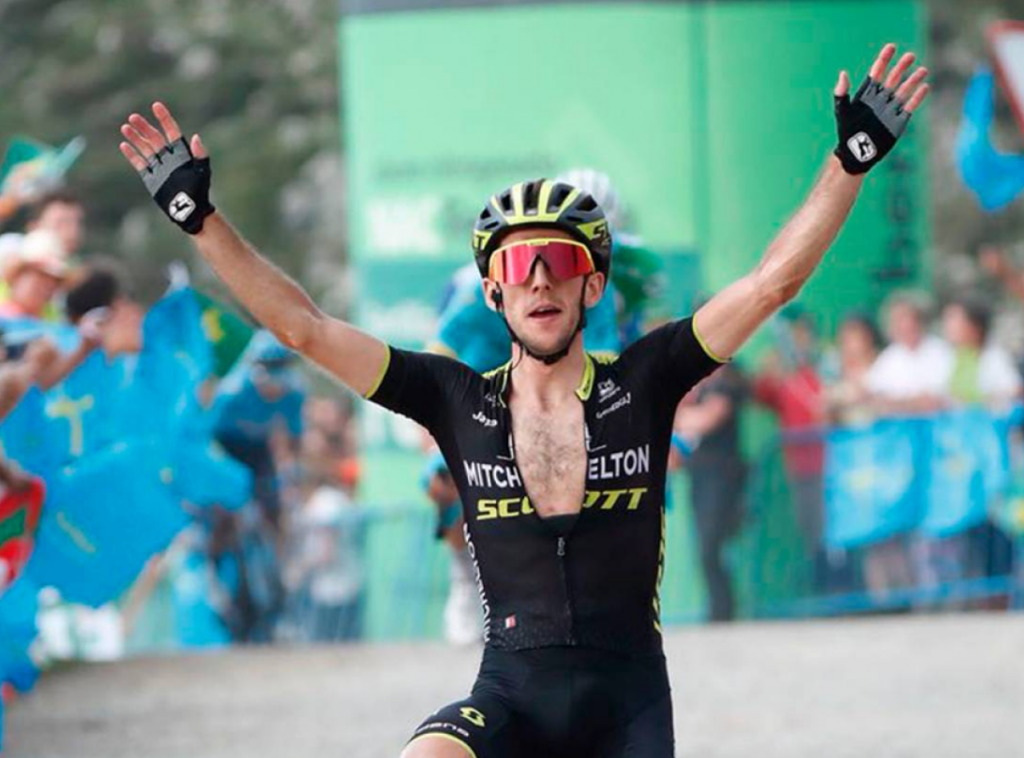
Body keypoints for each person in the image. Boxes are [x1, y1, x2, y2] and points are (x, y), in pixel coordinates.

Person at [118, 43, 928, 757]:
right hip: (508, 694)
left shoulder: (645, 379)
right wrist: (200, 220)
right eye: (516, 265)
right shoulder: (452, 397)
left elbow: (771, 283)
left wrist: (850, 162)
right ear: (493, 295)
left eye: (559, 261)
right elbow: (305, 327)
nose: (539, 279)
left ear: (594, 285)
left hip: (627, 709)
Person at [672, 365, 747, 621]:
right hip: (700, 477)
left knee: (712, 545)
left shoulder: (726, 385)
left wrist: (672, 414)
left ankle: (724, 609)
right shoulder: (701, 389)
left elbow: (707, 420)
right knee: (705, 546)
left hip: (722, 479)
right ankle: (718, 607)